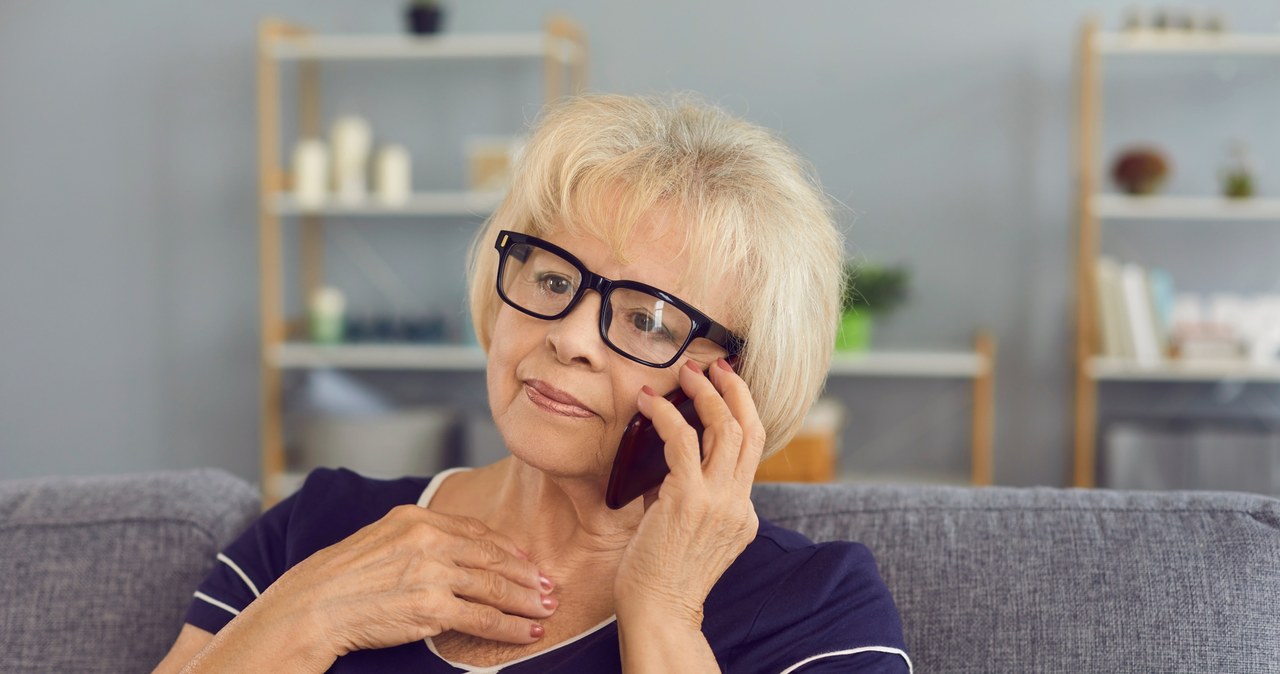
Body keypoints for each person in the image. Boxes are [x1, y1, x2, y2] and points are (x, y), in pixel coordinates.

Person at [154, 94, 910, 673]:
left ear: (733, 381)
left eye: (647, 319)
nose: (569, 336)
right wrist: (307, 616)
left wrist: (665, 617)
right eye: (553, 278)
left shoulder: (815, 607)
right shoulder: (317, 527)